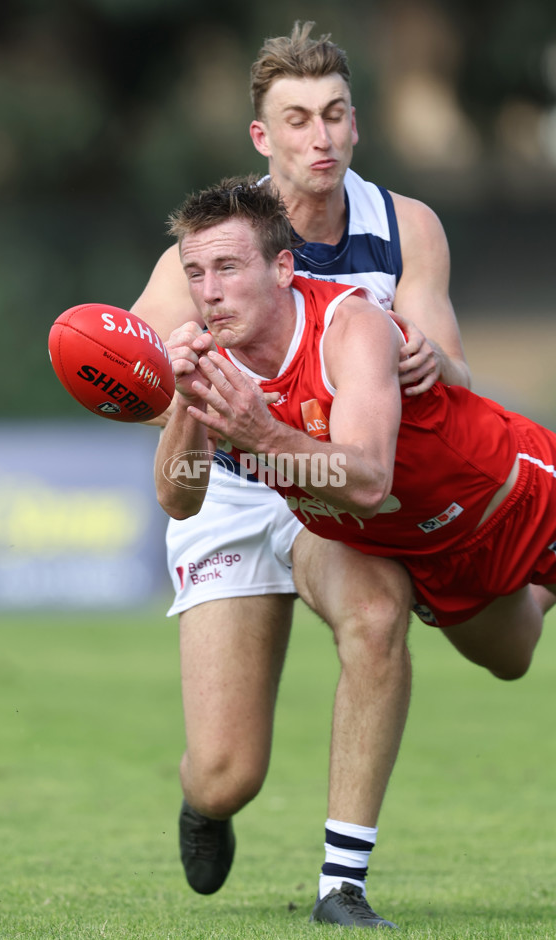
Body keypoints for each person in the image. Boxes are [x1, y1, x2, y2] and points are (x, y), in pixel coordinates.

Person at [133, 23, 471, 928]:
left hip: (326, 485)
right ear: (262, 137)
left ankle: (341, 886)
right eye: (296, 119)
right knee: (227, 770)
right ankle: (203, 802)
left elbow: (455, 366)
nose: (318, 138)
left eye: (333, 114)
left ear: (356, 123)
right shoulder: (212, 242)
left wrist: (433, 362)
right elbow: (131, 368)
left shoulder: (406, 227)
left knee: (374, 614)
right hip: (236, 485)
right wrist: (166, 373)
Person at [154, 180, 556, 914]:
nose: (208, 293)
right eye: (196, 275)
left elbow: (366, 477)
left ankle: (340, 885)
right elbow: (180, 496)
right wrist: (186, 406)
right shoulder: (210, 360)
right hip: (408, 533)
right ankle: (289, 855)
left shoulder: (352, 324)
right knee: (226, 774)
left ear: (283, 269)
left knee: (446, 636)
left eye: (228, 270)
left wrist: (261, 432)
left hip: (519, 495)